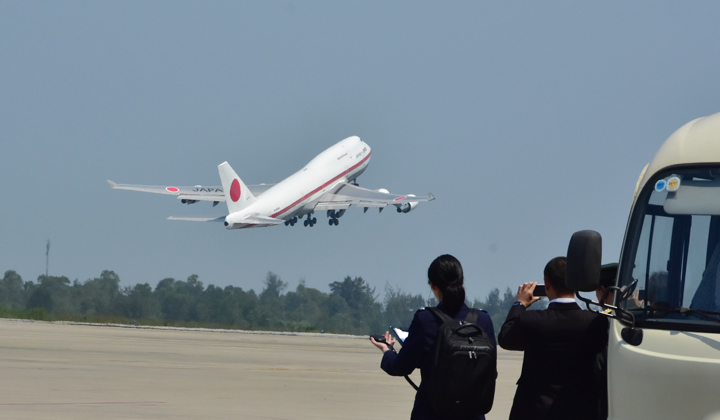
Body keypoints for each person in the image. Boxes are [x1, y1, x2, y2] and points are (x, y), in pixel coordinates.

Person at [370, 254, 496, 420]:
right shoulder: (483, 320)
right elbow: (491, 373)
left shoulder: (425, 319)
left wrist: (387, 350)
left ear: (433, 285)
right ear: (462, 280)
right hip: (473, 414)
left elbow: (400, 367)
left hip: (432, 413)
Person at [498, 256, 609, 420]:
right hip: (580, 411)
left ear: (547, 284)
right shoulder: (595, 322)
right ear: (575, 283)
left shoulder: (530, 320)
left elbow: (506, 338)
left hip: (535, 411)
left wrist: (519, 305)